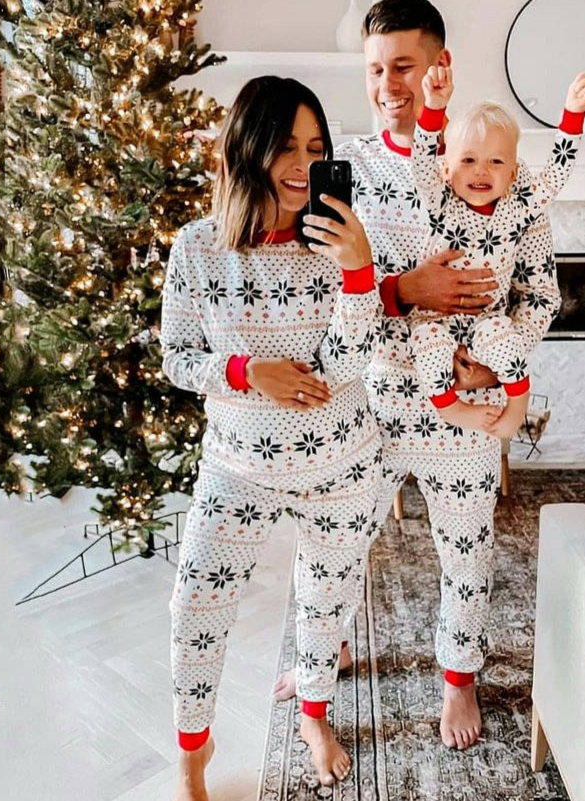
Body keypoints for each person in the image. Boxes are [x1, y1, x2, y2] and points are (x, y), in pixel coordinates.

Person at [275, 0, 563, 752]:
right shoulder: (347, 171)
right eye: (375, 69)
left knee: (467, 550)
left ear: (440, 68)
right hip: (367, 401)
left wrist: (492, 363)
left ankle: (459, 677)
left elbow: (541, 295)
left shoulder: (496, 169)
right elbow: (320, 298)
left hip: (464, 408)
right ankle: (327, 647)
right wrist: (406, 291)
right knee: (332, 538)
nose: (388, 85)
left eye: (403, 65)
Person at [161, 75, 383, 797]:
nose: (301, 164)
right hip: (237, 465)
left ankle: (313, 716)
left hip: (341, 461)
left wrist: (358, 271)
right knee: (196, 605)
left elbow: (348, 363)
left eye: (315, 148)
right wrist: (247, 371)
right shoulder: (197, 248)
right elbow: (177, 358)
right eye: (286, 145)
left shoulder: (339, 244)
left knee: (326, 600)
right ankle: (192, 753)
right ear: (247, 145)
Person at [408, 66, 585, 435]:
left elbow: (555, 175)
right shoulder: (441, 203)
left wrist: (573, 115)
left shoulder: (518, 209)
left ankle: (518, 405)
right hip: (434, 319)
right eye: (468, 160)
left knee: (505, 338)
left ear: (512, 173)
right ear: (446, 170)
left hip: (486, 320)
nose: (481, 171)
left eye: (495, 161)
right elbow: (421, 161)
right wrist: (433, 107)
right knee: (427, 346)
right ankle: (451, 408)